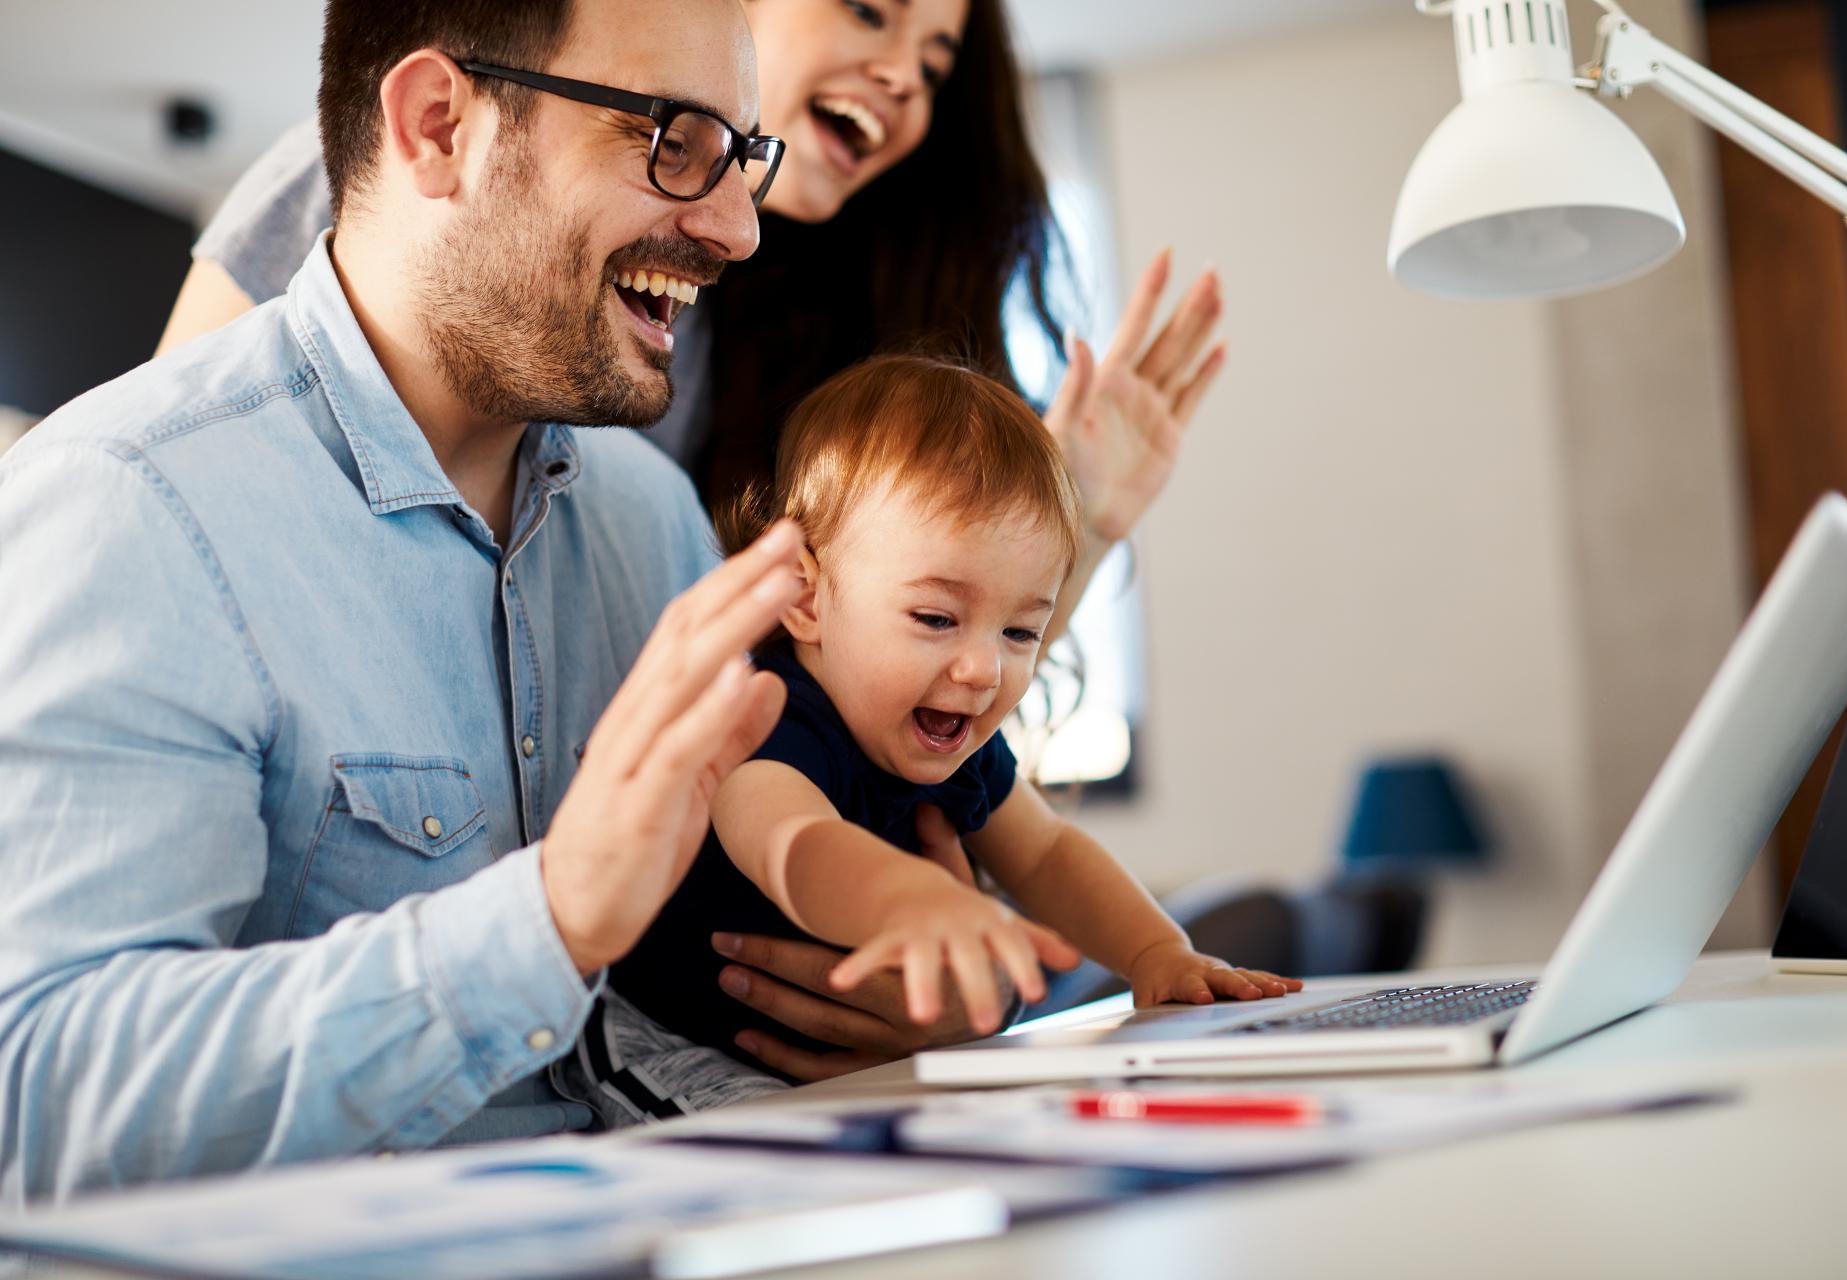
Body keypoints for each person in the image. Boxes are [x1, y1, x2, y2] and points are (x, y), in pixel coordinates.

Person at [155, 0, 1232, 1083]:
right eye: (871, 12)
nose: (905, 78)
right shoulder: (470, 231)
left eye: (937, 62)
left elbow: (914, 632)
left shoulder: (684, 399)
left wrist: (1074, 526)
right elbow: (206, 478)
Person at [0, 0, 816, 1204]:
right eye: (675, 143)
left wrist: (842, 995)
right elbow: (40, 1097)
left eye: (743, 160)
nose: (740, 229)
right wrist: (541, 921)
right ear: (438, 126)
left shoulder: (653, 522)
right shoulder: (130, 503)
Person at [619, 356, 1300, 1080]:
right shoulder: (765, 720)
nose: (983, 672)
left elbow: (1044, 855)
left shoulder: (957, 741)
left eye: (1018, 633)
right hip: (670, 1048)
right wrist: (912, 901)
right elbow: (796, 847)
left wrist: (1156, 953)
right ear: (806, 598)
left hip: (851, 1065)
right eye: (937, 617)